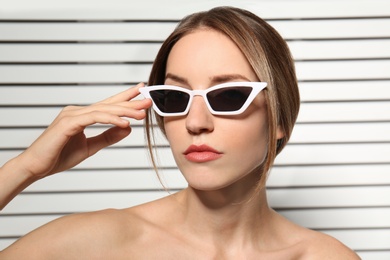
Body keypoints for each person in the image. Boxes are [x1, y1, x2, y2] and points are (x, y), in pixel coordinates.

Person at [0, 6, 360, 259]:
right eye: (174, 98)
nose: (195, 122)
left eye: (229, 95)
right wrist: (26, 168)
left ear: (280, 118)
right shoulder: (100, 243)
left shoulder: (322, 257)